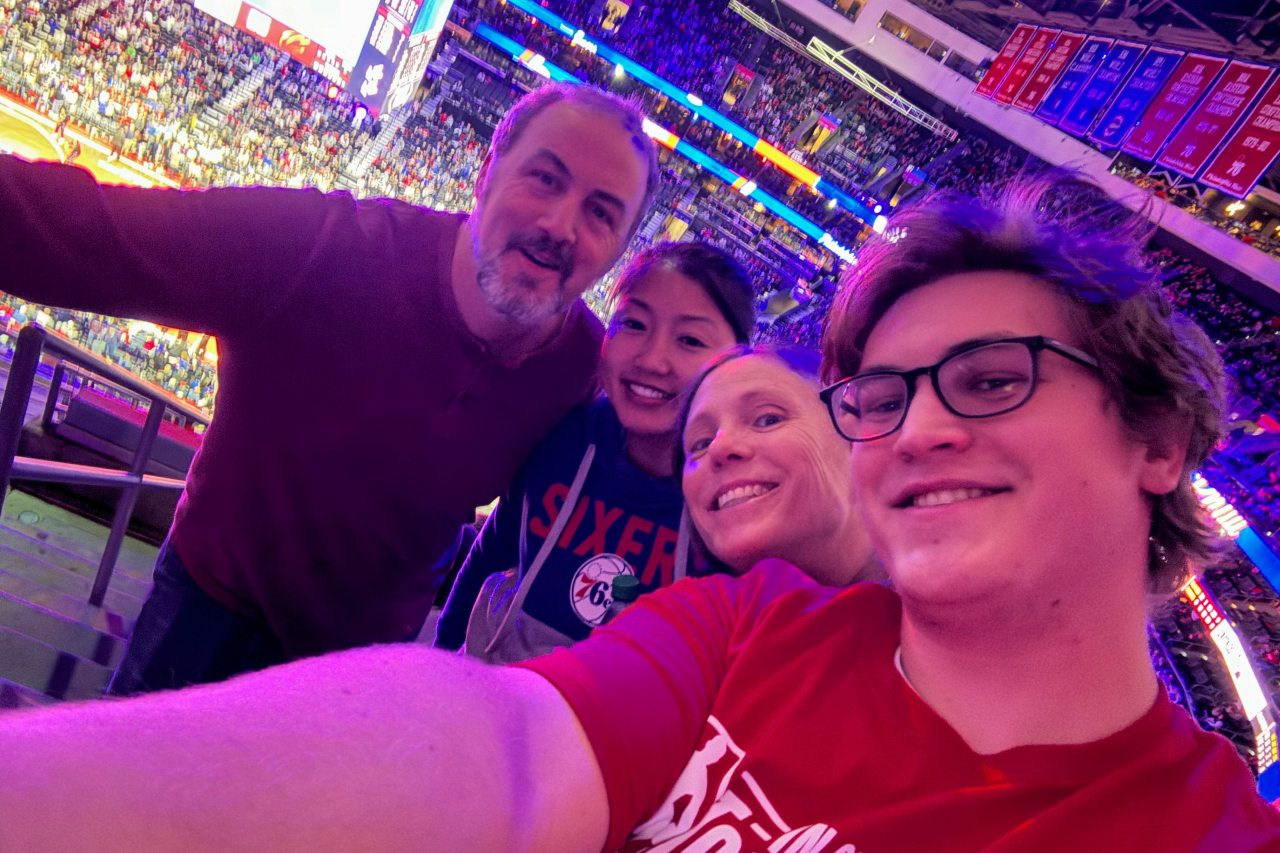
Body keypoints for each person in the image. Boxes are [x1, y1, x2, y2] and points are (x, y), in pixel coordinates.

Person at [4, 174, 1280, 853]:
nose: (922, 427)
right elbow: (500, 747)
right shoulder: (748, 627)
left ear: (1157, 437)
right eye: (883, 395)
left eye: (991, 380)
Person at [0, 80, 659, 693]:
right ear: (488, 170)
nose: (561, 226)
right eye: (545, 178)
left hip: (356, 670)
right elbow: (86, 232)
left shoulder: (586, 375)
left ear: (617, 250)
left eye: (601, 214)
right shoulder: (326, 248)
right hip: (204, 611)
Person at [436, 241, 755, 662]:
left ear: (738, 362)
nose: (652, 360)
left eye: (690, 340)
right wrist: (439, 664)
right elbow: (489, 557)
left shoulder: (742, 501)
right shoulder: (559, 433)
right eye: (634, 323)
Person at [675, 344, 881, 586]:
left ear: (855, 436)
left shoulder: (920, 594)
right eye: (701, 443)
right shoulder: (681, 607)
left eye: (767, 419)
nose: (718, 447)